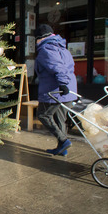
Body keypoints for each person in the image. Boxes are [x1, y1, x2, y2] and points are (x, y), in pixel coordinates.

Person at [34, 24, 78, 156]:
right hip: (67, 90)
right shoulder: (62, 48)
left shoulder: (46, 49)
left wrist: (62, 83)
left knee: (43, 114)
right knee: (60, 119)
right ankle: (62, 149)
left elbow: (57, 67)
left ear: (40, 38)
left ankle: (63, 141)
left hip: (55, 91)